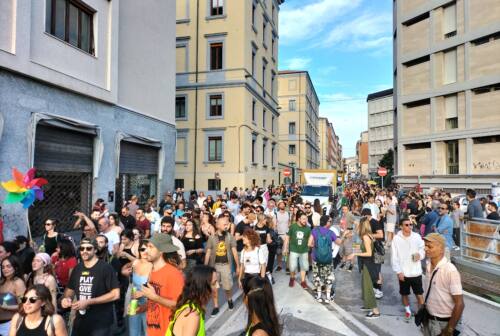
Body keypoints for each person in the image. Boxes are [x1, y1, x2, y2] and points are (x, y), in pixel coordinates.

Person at [61, 238, 120, 336]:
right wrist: (66, 300)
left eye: (88, 248)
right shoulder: (77, 268)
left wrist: (89, 301)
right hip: (81, 322)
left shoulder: (105, 268)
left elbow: (115, 294)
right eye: (82, 248)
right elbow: (69, 292)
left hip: (101, 323)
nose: (84, 251)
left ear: (95, 250)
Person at [140, 234, 184, 336]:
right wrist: (141, 308)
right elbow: (153, 302)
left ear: (161, 251)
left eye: (151, 247)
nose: (146, 250)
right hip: (152, 330)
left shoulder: (173, 273)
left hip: (168, 331)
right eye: (147, 247)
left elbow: (180, 305)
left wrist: (155, 297)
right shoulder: (151, 271)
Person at [422, 233, 464, 336]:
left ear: (441, 249)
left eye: (429, 246)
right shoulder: (428, 265)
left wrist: (449, 330)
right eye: (425, 245)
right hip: (429, 318)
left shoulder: (450, 270)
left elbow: (460, 304)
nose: (425, 249)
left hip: (444, 323)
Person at [165, 265, 217, 336]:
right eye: (214, 283)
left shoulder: (190, 305)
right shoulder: (193, 315)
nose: (217, 286)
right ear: (202, 287)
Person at [391, 217, 425, 322]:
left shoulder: (417, 236)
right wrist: (398, 271)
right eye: (406, 225)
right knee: (404, 294)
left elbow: (422, 249)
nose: (409, 226)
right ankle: (408, 311)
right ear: (400, 226)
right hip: (404, 273)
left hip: (416, 272)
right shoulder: (396, 239)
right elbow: (394, 257)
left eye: (411, 224)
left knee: (419, 295)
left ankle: (421, 313)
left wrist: (420, 255)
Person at [204, 216, 240, 316]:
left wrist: (238, 266)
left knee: (227, 287)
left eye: (227, 224)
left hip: (226, 266)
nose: (227, 226)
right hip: (214, 266)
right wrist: (205, 267)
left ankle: (229, 300)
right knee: (214, 288)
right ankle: (216, 306)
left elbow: (234, 252)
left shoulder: (230, 237)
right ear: (218, 225)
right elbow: (208, 253)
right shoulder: (212, 238)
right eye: (224, 224)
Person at [308, 215, 346, 303]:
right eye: (330, 221)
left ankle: (319, 296)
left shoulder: (314, 230)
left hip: (316, 258)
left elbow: (309, 244)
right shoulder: (330, 233)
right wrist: (344, 234)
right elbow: (339, 242)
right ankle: (328, 297)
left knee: (317, 276)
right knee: (329, 277)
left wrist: (316, 247)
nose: (331, 222)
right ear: (326, 222)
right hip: (328, 258)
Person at [122, 240, 152, 336]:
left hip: (149, 302)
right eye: (142, 249)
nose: (145, 252)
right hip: (134, 301)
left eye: (148, 249)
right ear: (139, 251)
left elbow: (158, 287)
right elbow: (125, 267)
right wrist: (124, 271)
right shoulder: (135, 262)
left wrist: (143, 293)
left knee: (148, 331)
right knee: (134, 331)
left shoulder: (154, 265)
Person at [352, 217, 380, 319]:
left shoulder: (365, 237)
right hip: (367, 264)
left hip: (368, 264)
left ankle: (375, 311)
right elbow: (357, 242)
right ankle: (368, 305)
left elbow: (368, 253)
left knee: (368, 287)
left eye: (359, 224)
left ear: (362, 225)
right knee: (365, 286)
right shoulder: (367, 235)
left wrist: (355, 254)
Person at [283, 213, 311, 289]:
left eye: (306, 219)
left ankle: (303, 281)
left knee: (304, 266)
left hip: (304, 250)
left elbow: (310, 239)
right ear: (299, 219)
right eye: (303, 219)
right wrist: (285, 248)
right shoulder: (292, 227)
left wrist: (311, 245)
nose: (305, 221)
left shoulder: (308, 228)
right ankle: (292, 278)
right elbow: (287, 238)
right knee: (292, 267)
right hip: (294, 249)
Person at [0, 256, 27, 335]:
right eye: (3, 267)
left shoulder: (18, 283)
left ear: (15, 267)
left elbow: (23, 306)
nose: (5, 269)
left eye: (8, 266)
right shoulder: (1, 281)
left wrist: (4, 307)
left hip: (10, 324)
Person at [338, 205, 355, 271]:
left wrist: (353, 232)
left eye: (345, 209)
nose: (344, 210)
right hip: (343, 234)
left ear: (348, 209)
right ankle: (344, 263)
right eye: (343, 209)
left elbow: (357, 223)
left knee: (350, 250)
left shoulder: (350, 215)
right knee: (344, 250)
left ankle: (351, 264)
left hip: (348, 235)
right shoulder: (343, 215)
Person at [275, 200, 290, 272]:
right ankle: (279, 265)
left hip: (287, 235)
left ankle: (287, 266)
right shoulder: (276, 214)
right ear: (278, 206)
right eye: (281, 204)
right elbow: (275, 225)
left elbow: (289, 223)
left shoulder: (288, 213)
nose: (282, 205)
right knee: (279, 252)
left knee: (287, 251)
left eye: (283, 204)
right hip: (279, 235)